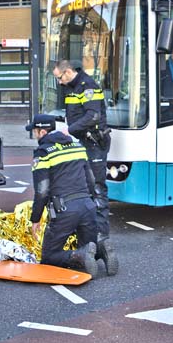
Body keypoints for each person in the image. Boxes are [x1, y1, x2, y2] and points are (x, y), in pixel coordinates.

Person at [52, 60, 118, 276]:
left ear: (69, 72)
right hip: (83, 144)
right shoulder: (73, 88)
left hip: (94, 145)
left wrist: (69, 130)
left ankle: (101, 238)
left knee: (97, 191)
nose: (59, 83)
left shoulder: (88, 87)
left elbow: (93, 116)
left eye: (60, 78)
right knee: (85, 192)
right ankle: (91, 241)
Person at [28, 114, 100, 278]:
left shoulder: (43, 152)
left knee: (49, 256)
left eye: (34, 131)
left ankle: (79, 256)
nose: (33, 134)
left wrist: (36, 218)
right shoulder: (77, 146)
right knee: (88, 246)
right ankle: (102, 250)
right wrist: (91, 202)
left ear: (42, 131)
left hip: (65, 209)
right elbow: (91, 180)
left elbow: (42, 191)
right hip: (88, 206)